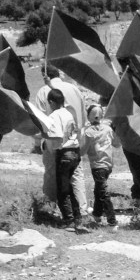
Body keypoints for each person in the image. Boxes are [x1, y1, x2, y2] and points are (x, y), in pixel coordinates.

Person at [36, 66, 88, 213]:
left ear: (44, 75)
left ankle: (50, 207)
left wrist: (39, 141)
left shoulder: (44, 91)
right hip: (75, 138)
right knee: (76, 175)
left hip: (55, 141)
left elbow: (41, 118)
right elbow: (83, 114)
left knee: (53, 174)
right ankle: (82, 209)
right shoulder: (74, 89)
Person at [41, 88, 89, 233]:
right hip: (75, 152)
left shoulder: (55, 115)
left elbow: (57, 137)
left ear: (51, 102)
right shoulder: (69, 113)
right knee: (71, 188)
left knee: (63, 189)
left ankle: (68, 220)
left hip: (64, 154)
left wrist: (44, 134)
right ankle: (78, 217)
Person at [79, 104, 118, 228]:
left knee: (103, 193)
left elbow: (83, 151)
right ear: (101, 116)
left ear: (88, 116)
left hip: (97, 166)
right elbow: (117, 144)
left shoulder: (88, 132)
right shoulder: (108, 129)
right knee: (98, 190)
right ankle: (97, 214)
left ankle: (112, 221)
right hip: (108, 165)